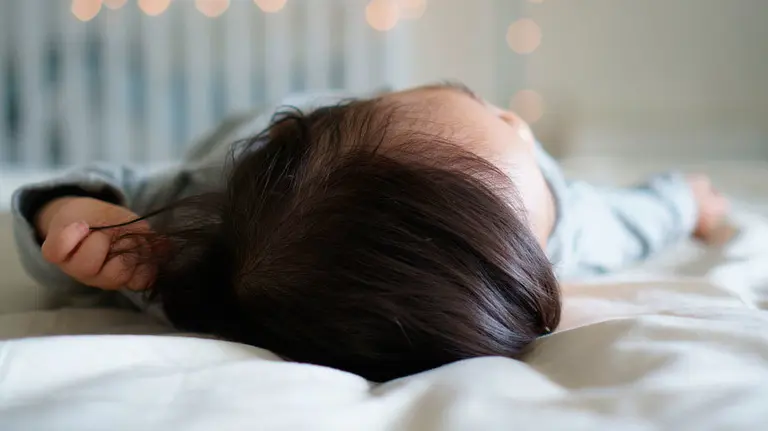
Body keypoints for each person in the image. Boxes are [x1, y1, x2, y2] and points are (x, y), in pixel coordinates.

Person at [12, 84, 729, 381]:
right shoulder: (558, 217)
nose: (519, 119)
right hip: (330, 147)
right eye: (498, 118)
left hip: (285, 149)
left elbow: (81, 196)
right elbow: (642, 216)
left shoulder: (199, 221)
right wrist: (682, 201)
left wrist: (78, 222)